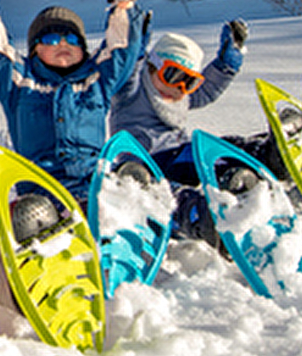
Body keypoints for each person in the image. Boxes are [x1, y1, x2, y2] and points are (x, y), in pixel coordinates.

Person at [0, 0, 147, 209]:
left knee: (131, 189)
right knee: (33, 216)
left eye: (72, 39)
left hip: (93, 186)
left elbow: (121, 48)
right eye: (50, 39)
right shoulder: (20, 83)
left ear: (83, 49)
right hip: (41, 193)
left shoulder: (96, 81)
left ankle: (187, 214)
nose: (63, 44)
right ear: (34, 51)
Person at [109, 21, 288, 243]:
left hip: (179, 155)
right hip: (144, 167)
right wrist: (133, 44)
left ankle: (267, 156)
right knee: (161, 193)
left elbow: (207, 91)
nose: (179, 88)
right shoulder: (131, 92)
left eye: (189, 82)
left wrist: (227, 64)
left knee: (217, 148)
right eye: (173, 76)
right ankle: (199, 216)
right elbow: (126, 69)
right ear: (151, 65)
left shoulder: (178, 96)